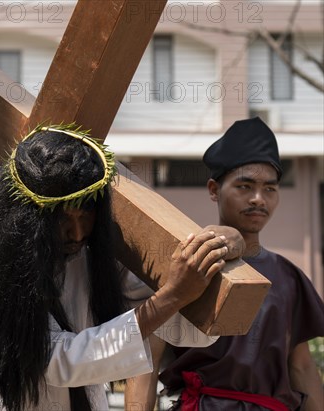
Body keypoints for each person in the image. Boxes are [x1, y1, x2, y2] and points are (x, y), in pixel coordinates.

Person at [0, 124, 243, 411]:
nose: (77, 233)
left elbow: (175, 327)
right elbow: (55, 360)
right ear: (28, 218)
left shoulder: (98, 249)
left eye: (86, 216)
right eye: (62, 220)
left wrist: (216, 251)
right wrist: (173, 296)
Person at [125, 117, 324, 410]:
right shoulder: (188, 266)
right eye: (245, 186)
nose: (259, 199)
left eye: (270, 189)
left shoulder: (288, 276)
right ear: (214, 190)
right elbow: (146, 363)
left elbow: (302, 367)